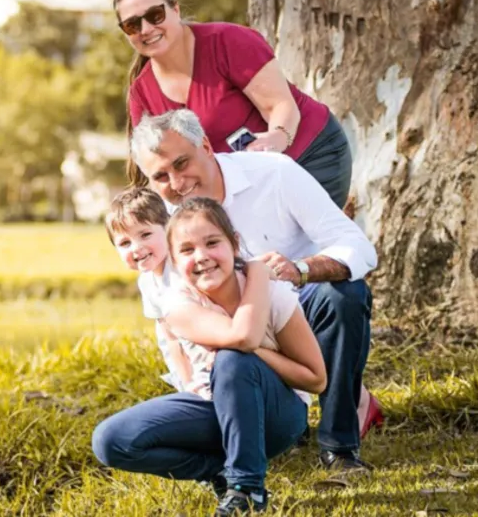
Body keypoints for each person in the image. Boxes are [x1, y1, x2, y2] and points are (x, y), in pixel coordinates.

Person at [126, 108, 379, 472]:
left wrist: (300, 269)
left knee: (344, 296)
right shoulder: (159, 221)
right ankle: (265, 432)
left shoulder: (274, 173)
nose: (177, 183)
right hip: (230, 341)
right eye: (161, 176)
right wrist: (190, 386)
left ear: (206, 146)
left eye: (182, 163)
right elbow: (165, 319)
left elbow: (357, 247)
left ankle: (339, 446)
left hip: (295, 309)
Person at [93, 197, 326, 515]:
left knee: (232, 360)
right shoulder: (177, 305)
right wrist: (258, 274)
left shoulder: (271, 295)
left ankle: (246, 488)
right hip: (215, 407)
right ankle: (217, 471)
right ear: (175, 259)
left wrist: (255, 342)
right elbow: (242, 337)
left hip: (277, 417)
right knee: (111, 440)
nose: (201, 256)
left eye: (212, 243)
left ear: (234, 244)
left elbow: (316, 379)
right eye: (187, 250)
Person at [113, 0, 353, 209]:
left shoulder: (227, 41)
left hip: (311, 155)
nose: (146, 28)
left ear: (175, 9)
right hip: (248, 183)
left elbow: (279, 105)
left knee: (298, 237)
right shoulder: (141, 93)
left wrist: (275, 140)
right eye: (132, 25)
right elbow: (153, 163)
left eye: (155, 15)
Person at [102, 186, 268, 395]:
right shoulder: (147, 282)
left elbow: (223, 317)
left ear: (168, 230)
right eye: (125, 243)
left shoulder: (187, 270)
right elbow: (170, 338)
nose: (136, 247)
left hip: (225, 348)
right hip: (193, 359)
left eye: (145, 234)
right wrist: (187, 383)